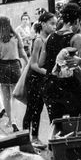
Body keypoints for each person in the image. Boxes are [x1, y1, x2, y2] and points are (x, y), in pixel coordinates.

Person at [38, 2, 81, 122]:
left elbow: (41, 62)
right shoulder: (76, 38)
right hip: (69, 87)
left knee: (56, 126)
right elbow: (75, 67)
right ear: (78, 20)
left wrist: (55, 67)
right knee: (79, 123)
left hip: (50, 86)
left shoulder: (49, 37)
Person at [22, 11, 56, 145]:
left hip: (42, 78)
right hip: (34, 78)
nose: (54, 27)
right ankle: (24, 139)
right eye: (51, 23)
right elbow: (34, 64)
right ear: (43, 24)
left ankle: (34, 138)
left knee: (38, 109)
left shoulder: (49, 39)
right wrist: (48, 72)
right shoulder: (38, 40)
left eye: (55, 24)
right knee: (31, 109)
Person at [0, 16, 28, 132]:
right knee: (15, 96)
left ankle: (9, 120)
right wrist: (28, 63)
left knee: (6, 97)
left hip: (3, 67)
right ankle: (14, 121)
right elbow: (22, 52)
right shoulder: (16, 35)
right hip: (15, 66)